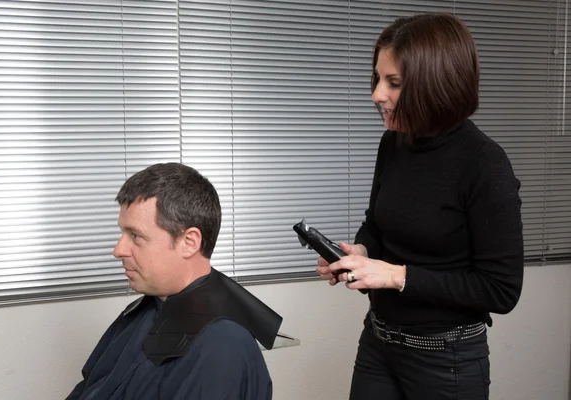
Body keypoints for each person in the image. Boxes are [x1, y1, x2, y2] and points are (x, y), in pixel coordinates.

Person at [316, 13, 523, 400]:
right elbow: (377, 225)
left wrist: (396, 276)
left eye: (393, 82)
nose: (377, 94)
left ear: (436, 84)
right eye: (377, 78)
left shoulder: (484, 164)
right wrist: (360, 252)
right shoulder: (393, 145)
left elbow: (501, 290)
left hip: (448, 362)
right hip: (378, 344)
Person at [66, 162, 282, 400]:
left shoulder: (221, 346)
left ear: (189, 242)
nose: (118, 249)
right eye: (123, 233)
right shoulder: (145, 310)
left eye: (136, 236)